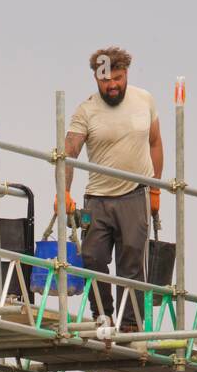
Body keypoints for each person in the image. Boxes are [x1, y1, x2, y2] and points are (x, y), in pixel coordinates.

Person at [62, 46, 163, 329]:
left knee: (132, 260)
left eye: (117, 78)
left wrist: (155, 188)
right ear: (96, 78)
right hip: (98, 198)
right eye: (106, 80)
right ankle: (103, 315)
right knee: (92, 257)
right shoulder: (87, 110)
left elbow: (155, 142)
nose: (113, 85)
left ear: (125, 73)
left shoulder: (144, 100)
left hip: (135, 194)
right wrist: (64, 192)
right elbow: (69, 153)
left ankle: (130, 324)